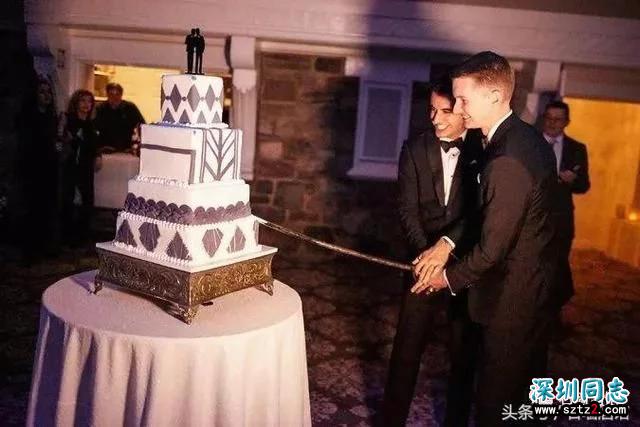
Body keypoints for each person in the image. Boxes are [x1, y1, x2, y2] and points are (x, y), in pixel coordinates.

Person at [414, 51, 558, 426]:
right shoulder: (526, 137)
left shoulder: (506, 159)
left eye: (463, 100)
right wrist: (446, 243)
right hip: (534, 290)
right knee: (521, 402)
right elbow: (491, 215)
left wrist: (445, 279)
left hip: (512, 300)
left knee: (497, 403)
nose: (459, 109)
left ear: (494, 96)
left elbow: (493, 248)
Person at [382, 77, 483, 426]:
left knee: (463, 356)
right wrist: (425, 260)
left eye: (445, 111)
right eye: (431, 110)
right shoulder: (414, 148)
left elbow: (480, 213)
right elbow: (407, 210)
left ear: (463, 110)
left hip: (464, 268)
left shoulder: (485, 150)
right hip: (421, 265)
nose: (435, 119)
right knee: (405, 351)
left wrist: (448, 258)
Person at [542, 100, 590, 310]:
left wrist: (573, 181)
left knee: (558, 266)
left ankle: (553, 309)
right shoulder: (530, 143)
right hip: (532, 217)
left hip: (561, 219)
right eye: (549, 118)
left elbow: (584, 186)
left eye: (558, 119)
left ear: (567, 122)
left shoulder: (577, 149)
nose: (552, 123)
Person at [60, 89, 101, 246]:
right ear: (76, 103)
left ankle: (82, 237)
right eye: (83, 101)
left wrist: (98, 155)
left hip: (85, 167)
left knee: (87, 201)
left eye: (89, 101)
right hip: (70, 165)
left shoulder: (91, 124)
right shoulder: (69, 121)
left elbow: (94, 145)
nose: (86, 105)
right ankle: (67, 237)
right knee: (68, 200)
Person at [94, 82, 145, 153]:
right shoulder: (100, 108)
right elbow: (93, 129)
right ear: (107, 95)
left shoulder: (130, 108)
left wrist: (137, 145)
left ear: (121, 95)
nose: (114, 97)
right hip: (105, 148)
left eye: (117, 94)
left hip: (126, 148)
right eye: (111, 94)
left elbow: (142, 126)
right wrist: (98, 147)